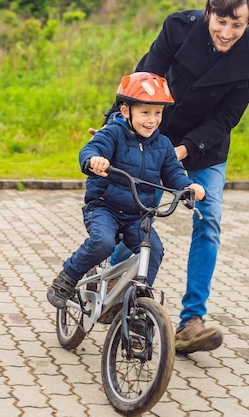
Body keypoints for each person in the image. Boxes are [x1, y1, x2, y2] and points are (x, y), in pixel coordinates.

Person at [97, 0, 249, 354]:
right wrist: (112, 130)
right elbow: (141, 82)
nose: (226, 33)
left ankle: (192, 321)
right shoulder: (177, 28)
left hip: (206, 146)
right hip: (153, 133)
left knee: (209, 220)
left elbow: (229, 115)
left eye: (237, 26)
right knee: (136, 212)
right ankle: (113, 288)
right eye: (221, 21)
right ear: (209, 11)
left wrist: (185, 150)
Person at [46, 72, 206, 310]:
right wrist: (94, 161)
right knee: (102, 243)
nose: (152, 120)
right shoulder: (113, 134)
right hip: (104, 207)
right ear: (125, 112)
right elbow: (90, 150)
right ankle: (66, 280)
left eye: (157, 113)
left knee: (154, 251)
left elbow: (172, 172)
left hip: (138, 215)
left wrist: (187, 187)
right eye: (145, 112)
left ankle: (137, 306)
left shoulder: (162, 144)